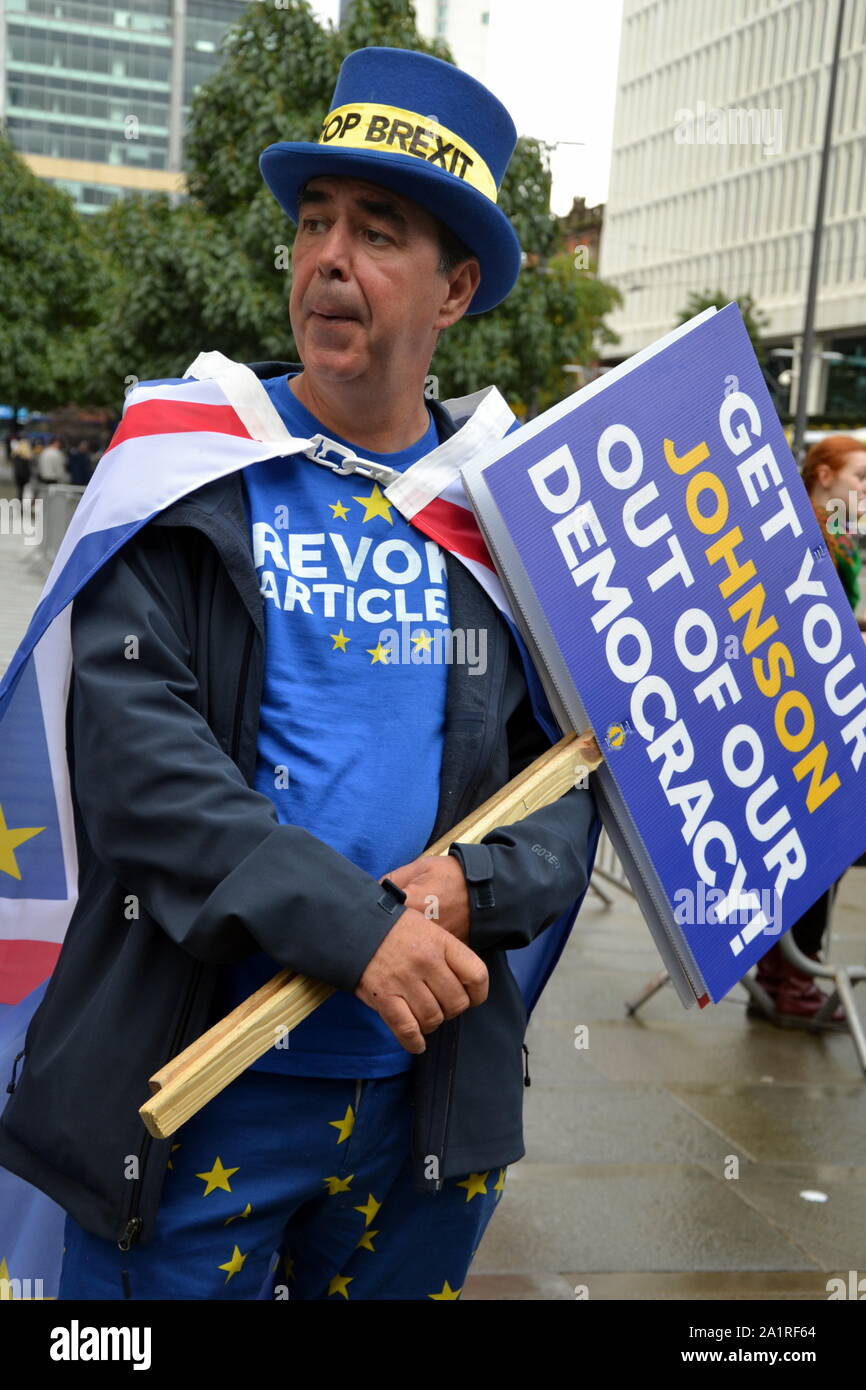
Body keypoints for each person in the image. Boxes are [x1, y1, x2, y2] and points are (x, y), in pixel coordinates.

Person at [0, 47, 597, 1300]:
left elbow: (574, 786)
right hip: (192, 1091)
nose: (328, 256)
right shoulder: (191, 468)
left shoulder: (508, 518)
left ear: (456, 289)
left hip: (422, 1114)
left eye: (378, 232)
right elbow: (135, 763)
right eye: (314, 223)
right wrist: (356, 929)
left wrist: (465, 888)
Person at [751, 434, 866, 1026]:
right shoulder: (805, 536)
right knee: (826, 841)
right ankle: (793, 974)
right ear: (822, 476)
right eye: (858, 479)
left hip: (823, 722)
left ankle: (785, 971)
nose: (865, 493)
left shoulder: (842, 543)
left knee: (827, 845)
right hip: (803, 724)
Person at [9, 434, 32, 504]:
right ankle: (21, 506)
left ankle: (19, 504)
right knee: (24, 492)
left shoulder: (15, 455)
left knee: (20, 492)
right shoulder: (25, 457)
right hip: (24, 477)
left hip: (18, 477)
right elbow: (26, 469)